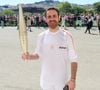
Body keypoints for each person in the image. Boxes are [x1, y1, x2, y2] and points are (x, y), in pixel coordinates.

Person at [22, 7, 78, 90]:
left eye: (54, 16)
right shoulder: (41, 36)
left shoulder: (67, 36)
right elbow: (38, 55)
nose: (52, 19)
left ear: (59, 17)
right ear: (46, 19)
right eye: (49, 17)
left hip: (62, 83)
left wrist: (72, 80)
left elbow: (74, 59)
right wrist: (29, 56)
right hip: (45, 83)